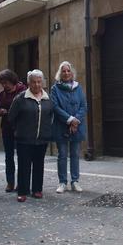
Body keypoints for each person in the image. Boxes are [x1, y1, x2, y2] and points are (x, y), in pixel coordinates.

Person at [9, 69, 54, 202]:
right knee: (24, 165)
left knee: (39, 165)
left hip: (42, 139)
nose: (36, 85)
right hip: (24, 139)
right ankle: (23, 191)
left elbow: (50, 115)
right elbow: (11, 117)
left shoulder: (48, 98)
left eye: (39, 82)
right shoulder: (21, 98)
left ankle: (37, 190)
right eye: (33, 82)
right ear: (29, 83)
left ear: (42, 83)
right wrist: (20, 130)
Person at [50, 61, 88, 193]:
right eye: (63, 71)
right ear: (60, 73)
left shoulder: (78, 87)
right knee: (62, 155)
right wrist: (70, 119)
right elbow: (55, 107)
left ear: (72, 73)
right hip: (61, 126)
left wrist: (76, 121)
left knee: (75, 155)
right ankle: (62, 182)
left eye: (68, 71)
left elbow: (84, 106)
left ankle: (75, 181)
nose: (66, 73)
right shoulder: (55, 88)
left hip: (77, 126)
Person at [0, 69, 26, 193]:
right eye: (2, 83)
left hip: (21, 128)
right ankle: (10, 182)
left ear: (12, 80)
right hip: (7, 128)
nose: (4, 85)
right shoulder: (1, 95)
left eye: (6, 82)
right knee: (9, 156)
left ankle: (21, 182)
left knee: (22, 156)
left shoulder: (23, 91)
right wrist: (0, 111)